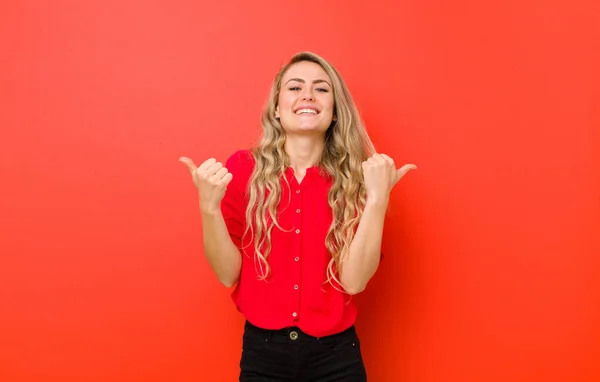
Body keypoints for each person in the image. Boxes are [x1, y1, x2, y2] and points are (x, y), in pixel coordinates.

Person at [179, 51, 416, 381]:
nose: (308, 95)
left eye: (321, 88)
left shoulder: (357, 177)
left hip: (336, 357)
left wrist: (377, 199)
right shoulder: (242, 169)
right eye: (294, 87)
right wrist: (208, 207)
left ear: (334, 111)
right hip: (263, 354)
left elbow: (354, 281)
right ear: (276, 108)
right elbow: (227, 274)